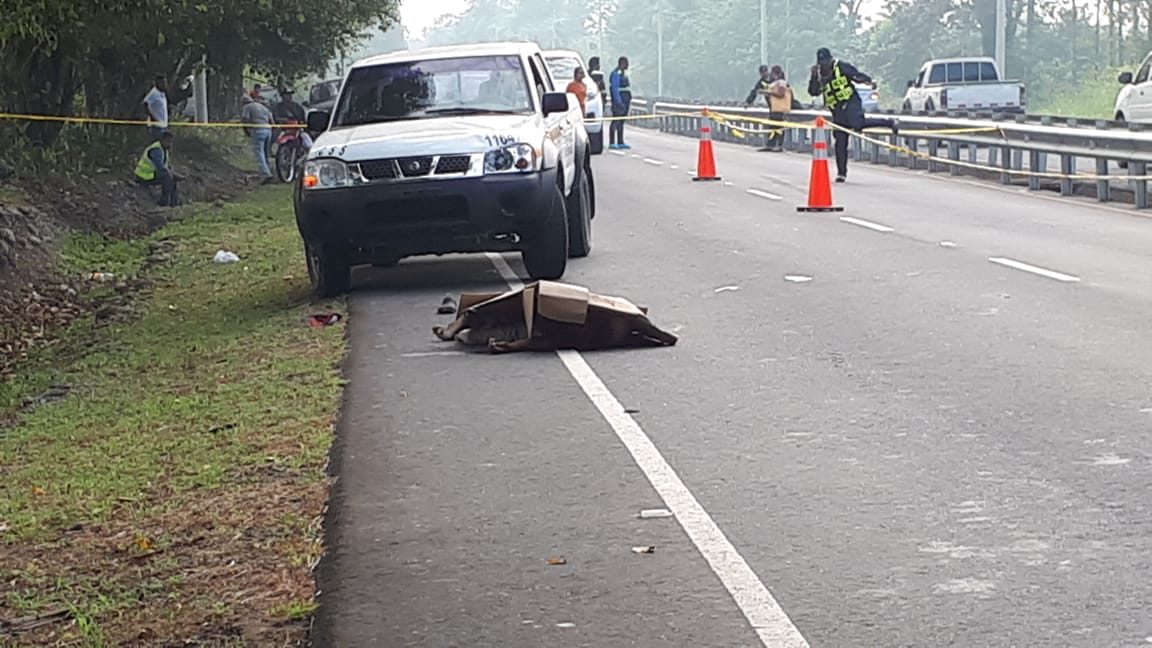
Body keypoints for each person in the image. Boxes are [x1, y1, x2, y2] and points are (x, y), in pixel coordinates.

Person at [808, 47, 898, 183]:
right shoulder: (819, 75)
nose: (825, 66)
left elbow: (856, 75)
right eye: (822, 63)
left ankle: (890, 122)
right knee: (840, 141)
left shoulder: (841, 66)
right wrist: (814, 77)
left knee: (857, 123)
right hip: (837, 110)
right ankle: (841, 173)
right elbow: (813, 92)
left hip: (851, 102)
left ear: (831, 60)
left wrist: (869, 81)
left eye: (826, 62)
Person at [134, 131, 179, 207]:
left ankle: (174, 204)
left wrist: (174, 174)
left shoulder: (164, 150)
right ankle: (163, 203)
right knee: (167, 177)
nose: (170, 144)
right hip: (144, 176)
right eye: (168, 142)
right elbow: (160, 167)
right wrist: (173, 174)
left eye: (171, 142)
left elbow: (167, 166)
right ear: (162, 140)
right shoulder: (156, 150)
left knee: (172, 179)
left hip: (151, 174)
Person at [241, 95, 275, 183]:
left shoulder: (247, 107)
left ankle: (266, 174)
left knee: (259, 152)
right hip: (268, 130)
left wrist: (246, 130)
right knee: (266, 152)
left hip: (258, 130)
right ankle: (269, 170)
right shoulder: (263, 107)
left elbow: (245, 119)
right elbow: (271, 120)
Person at [608, 56, 632, 150]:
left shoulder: (623, 73)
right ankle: (612, 142)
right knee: (616, 120)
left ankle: (620, 141)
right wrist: (618, 101)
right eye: (626, 63)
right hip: (620, 100)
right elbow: (615, 89)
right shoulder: (616, 73)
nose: (628, 65)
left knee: (621, 121)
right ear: (622, 63)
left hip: (625, 99)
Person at [142, 75, 169, 141]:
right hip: (156, 127)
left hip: (163, 126)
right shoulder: (154, 93)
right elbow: (145, 104)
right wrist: (152, 118)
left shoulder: (162, 94)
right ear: (159, 83)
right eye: (163, 83)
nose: (165, 85)